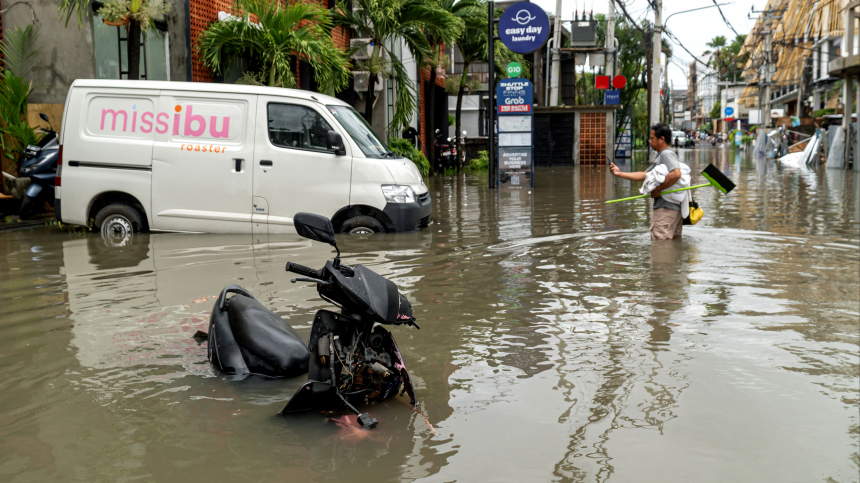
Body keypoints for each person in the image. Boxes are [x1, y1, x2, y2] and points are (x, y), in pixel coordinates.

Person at [610, 123, 684, 240]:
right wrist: (620, 173)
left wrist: (658, 189)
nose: (649, 141)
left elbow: (676, 173)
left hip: (666, 209)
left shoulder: (666, 154)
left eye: (652, 138)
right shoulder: (661, 156)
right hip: (673, 209)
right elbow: (645, 174)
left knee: (660, 246)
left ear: (662, 139)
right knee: (671, 246)